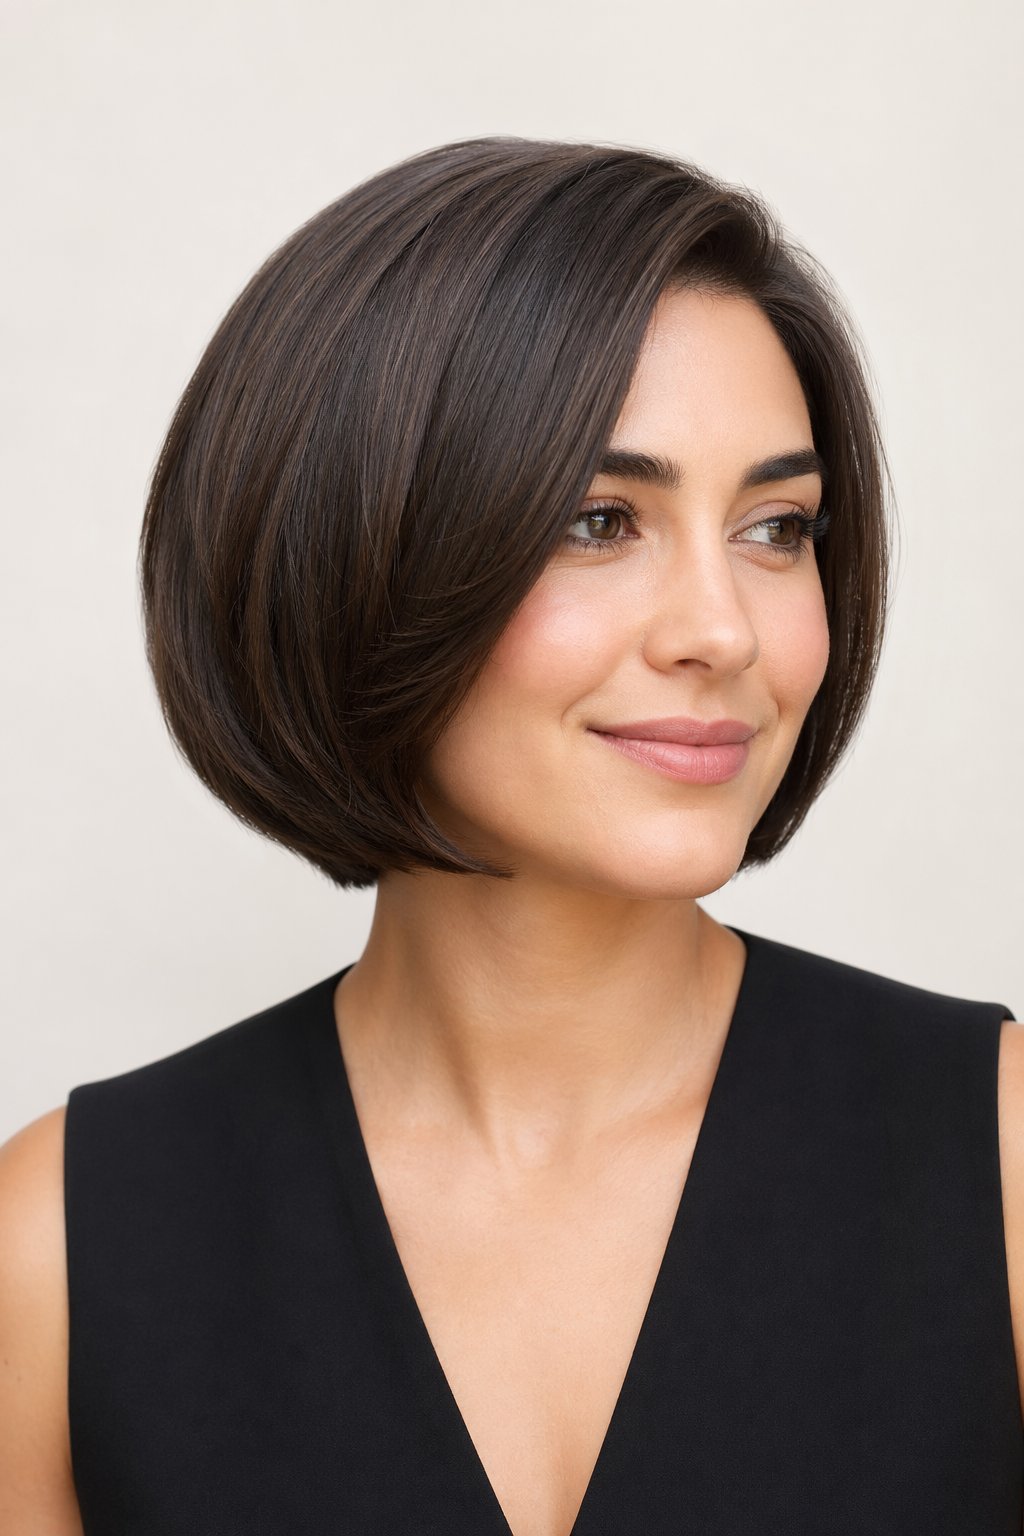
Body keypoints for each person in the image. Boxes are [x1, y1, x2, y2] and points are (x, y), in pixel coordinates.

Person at [1, 134, 1021, 1535]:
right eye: (602, 520)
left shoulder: (1002, 1160)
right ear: (357, 546)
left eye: (779, 529)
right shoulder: (63, 1248)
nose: (724, 630)